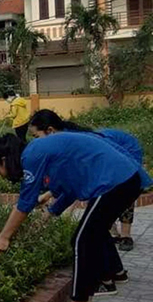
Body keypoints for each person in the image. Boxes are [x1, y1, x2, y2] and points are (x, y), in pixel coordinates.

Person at [0, 132, 152, 302]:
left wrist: (4, 237)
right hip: (121, 180)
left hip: (115, 181)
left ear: (3, 159)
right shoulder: (40, 152)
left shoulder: (31, 155)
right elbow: (69, 189)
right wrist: (50, 212)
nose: (1, 174)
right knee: (90, 241)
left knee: (83, 242)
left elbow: (25, 202)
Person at [30, 109, 146, 257]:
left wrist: (50, 212)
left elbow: (73, 186)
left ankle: (126, 235)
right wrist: (48, 197)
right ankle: (116, 267)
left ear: (50, 130)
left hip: (126, 153)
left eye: (35, 136)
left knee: (83, 237)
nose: (34, 142)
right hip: (109, 168)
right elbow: (73, 180)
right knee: (98, 219)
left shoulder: (68, 142)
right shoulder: (62, 140)